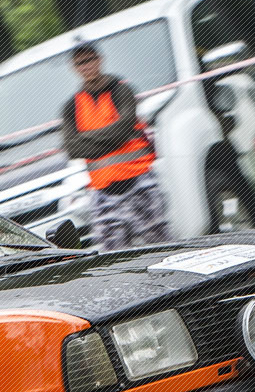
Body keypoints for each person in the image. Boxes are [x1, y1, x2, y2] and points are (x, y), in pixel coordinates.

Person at [59, 42, 171, 250]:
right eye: (80, 63)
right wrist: (113, 138)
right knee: (115, 260)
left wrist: (88, 139)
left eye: (89, 60)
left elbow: (123, 130)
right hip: (103, 194)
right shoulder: (72, 106)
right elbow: (73, 149)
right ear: (74, 68)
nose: (86, 66)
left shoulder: (121, 90)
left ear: (99, 59)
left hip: (139, 185)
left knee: (162, 250)